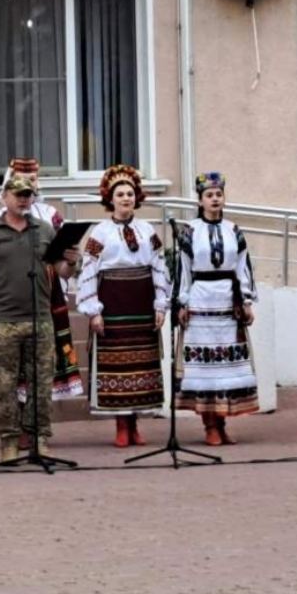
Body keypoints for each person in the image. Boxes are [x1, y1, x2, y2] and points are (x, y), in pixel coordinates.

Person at [0, 174, 80, 462]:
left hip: (41, 318)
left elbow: (62, 272)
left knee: (41, 383)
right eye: (18, 194)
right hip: (4, 319)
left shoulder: (43, 230)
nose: (23, 199)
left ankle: (39, 436)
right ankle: (8, 439)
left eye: (28, 194)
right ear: (4, 196)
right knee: (5, 384)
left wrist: (71, 260)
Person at [78, 165, 170, 448]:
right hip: (113, 302)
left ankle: (136, 425)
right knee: (116, 363)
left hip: (141, 301)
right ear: (110, 198)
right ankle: (120, 424)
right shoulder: (100, 233)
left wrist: (161, 303)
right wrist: (93, 310)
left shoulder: (147, 230)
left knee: (141, 363)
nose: (126, 199)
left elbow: (159, 265)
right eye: (120, 194)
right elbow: (89, 269)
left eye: (130, 193)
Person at [0, 158, 84, 417]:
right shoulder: (0, 219)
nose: (30, 186)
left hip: (48, 291)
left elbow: (59, 262)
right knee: (18, 358)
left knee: (44, 357)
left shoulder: (51, 215)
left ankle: (37, 422)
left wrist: (70, 260)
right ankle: (20, 419)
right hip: (15, 292)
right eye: (23, 180)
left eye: (33, 180)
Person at [176, 172, 258, 446]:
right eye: (209, 195)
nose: (215, 199)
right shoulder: (189, 231)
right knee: (205, 367)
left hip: (227, 300)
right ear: (200, 200)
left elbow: (243, 266)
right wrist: (182, 302)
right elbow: (183, 269)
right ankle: (209, 425)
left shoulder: (234, 230)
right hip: (201, 300)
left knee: (226, 366)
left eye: (218, 195)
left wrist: (246, 301)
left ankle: (222, 423)